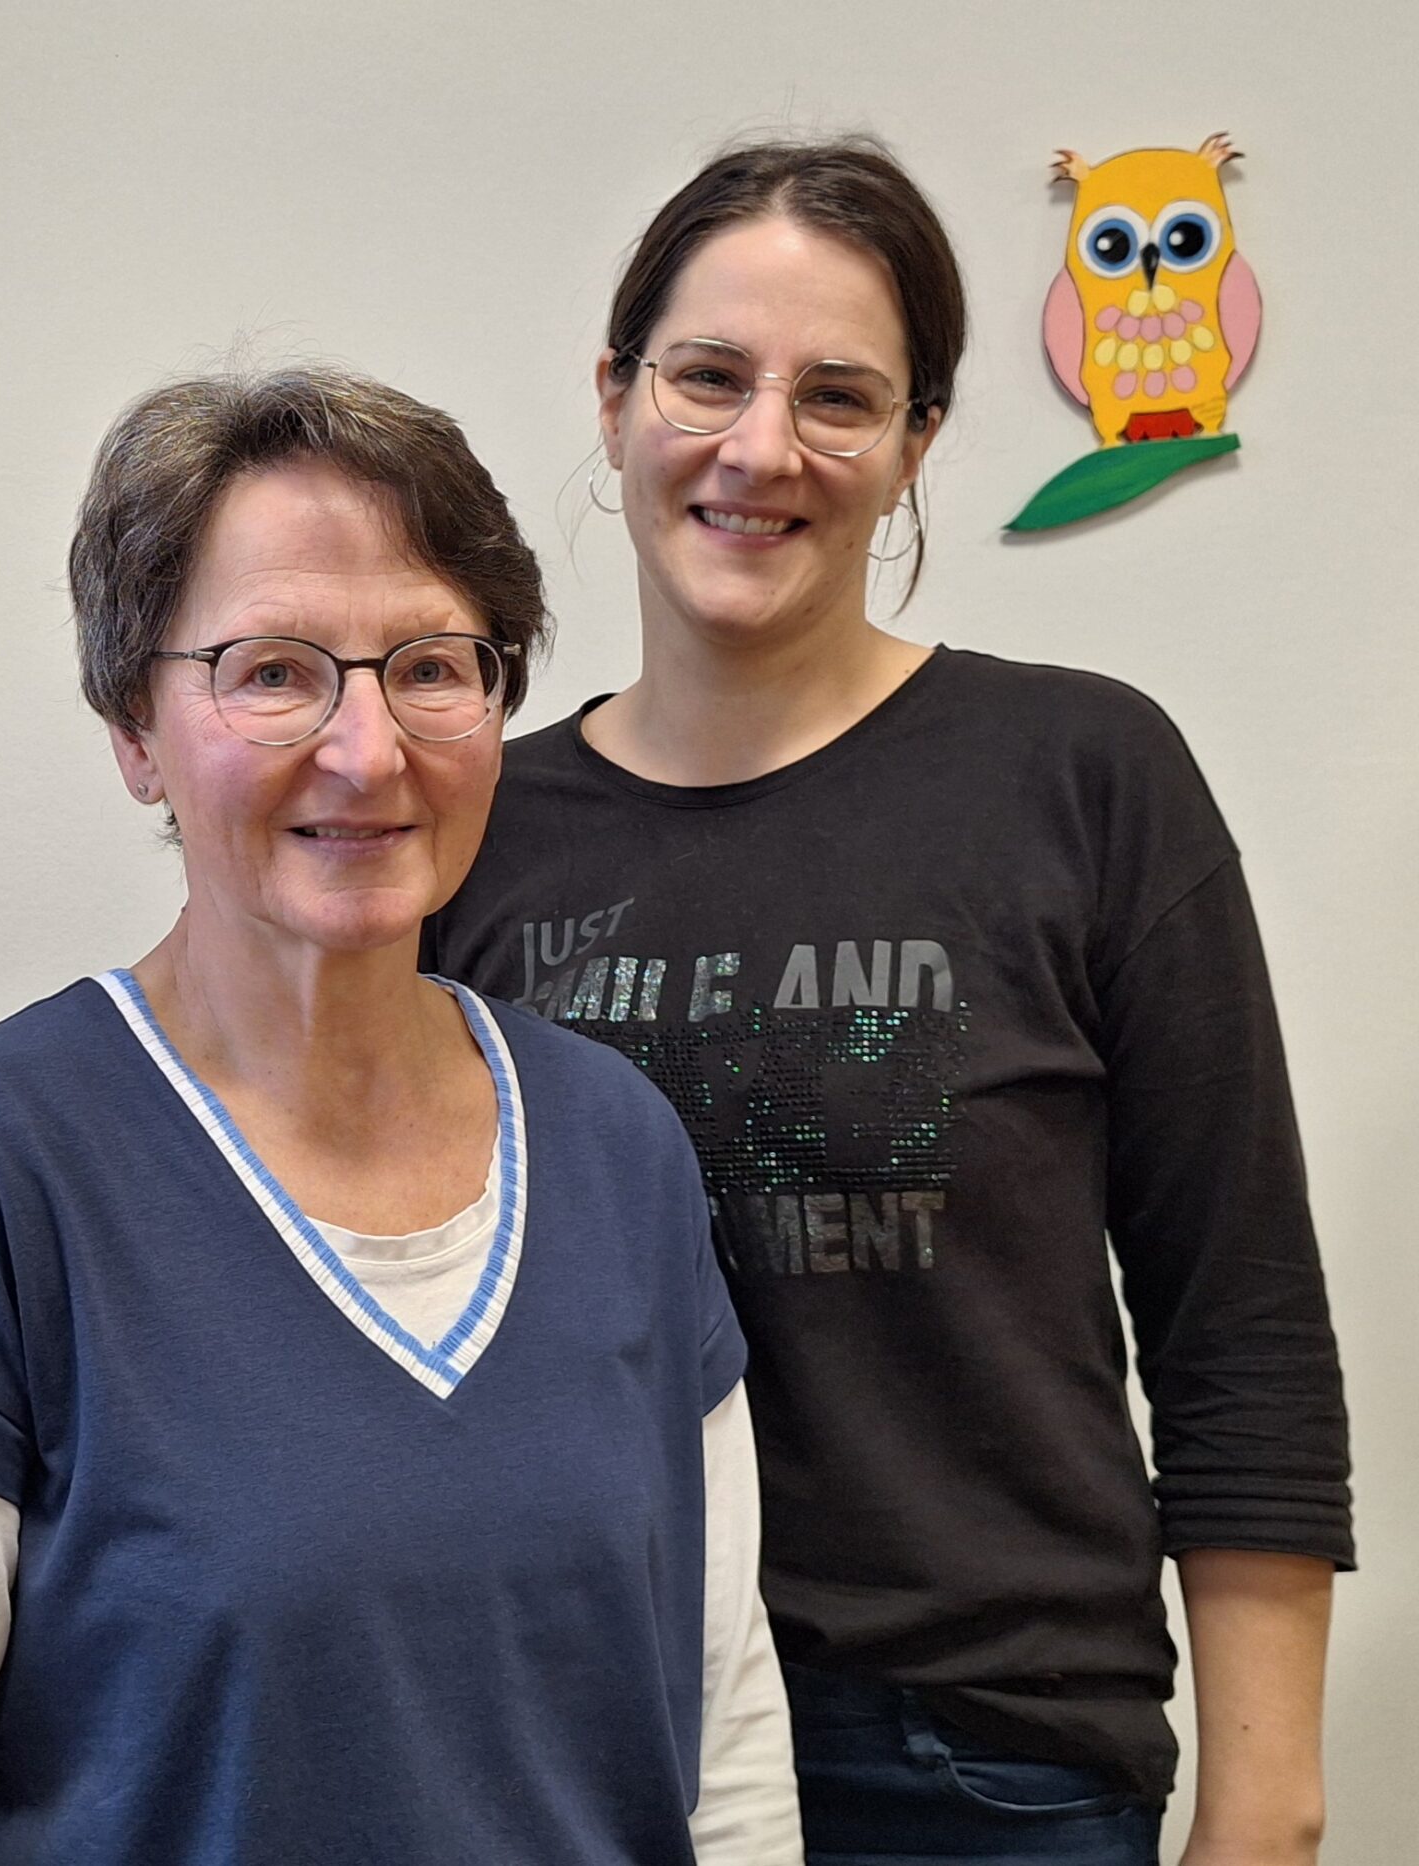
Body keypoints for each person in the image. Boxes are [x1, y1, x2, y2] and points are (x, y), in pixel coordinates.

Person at [424, 138, 1352, 1865]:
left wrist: (1268, 1811)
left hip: (981, 1770)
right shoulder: (470, 835)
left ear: (919, 439)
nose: (761, 446)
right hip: (576, 1744)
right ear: (617, 396)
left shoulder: (1083, 775)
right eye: (708, 376)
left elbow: (1243, 1333)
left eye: (840, 396)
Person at [0, 367, 802, 1864]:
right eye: (275, 670)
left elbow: (727, 1731)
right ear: (135, 728)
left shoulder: (617, 1145)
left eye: (434, 665)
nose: (369, 751)